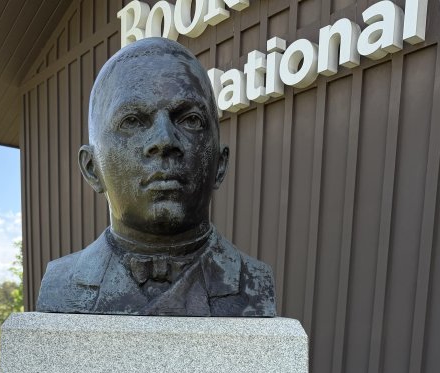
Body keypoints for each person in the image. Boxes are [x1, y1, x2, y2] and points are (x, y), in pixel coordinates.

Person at [36, 37, 276, 317]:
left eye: (190, 120)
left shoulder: (254, 283)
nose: (164, 140)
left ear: (219, 165)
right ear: (92, 169)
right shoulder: (61, 283)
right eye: (133, 121)